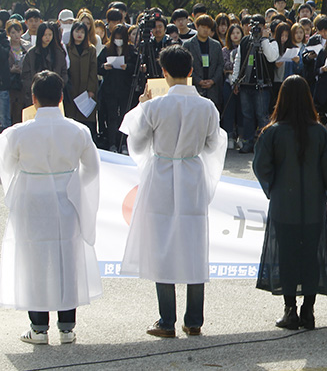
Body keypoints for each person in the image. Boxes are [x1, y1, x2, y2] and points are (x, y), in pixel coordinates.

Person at [119, 45, 227, 338]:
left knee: (162, 245)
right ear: (191, 71)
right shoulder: (206, 107)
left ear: (163, 73)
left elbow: (138, 144)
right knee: (194, 244)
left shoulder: (154, 107)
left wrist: (141, 106)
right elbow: (212, 144)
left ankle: (166, 320)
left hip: (162, 174)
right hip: (191, 173)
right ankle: (194, 319)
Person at [0, 71, 101, 344]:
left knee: (35, 263)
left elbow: (6, 169)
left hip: (32, 200)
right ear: (60, 98)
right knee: (66, 260)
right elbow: (92, 170)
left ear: (33, 99)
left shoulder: (16, 133)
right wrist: (73, 185)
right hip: (66, 198)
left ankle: (38, 327)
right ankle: (67, 327)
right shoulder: (78, 130)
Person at [253, 75, 327, 330]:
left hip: (284, 205)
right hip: (313, 205)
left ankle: (290, 310)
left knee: (286, 255)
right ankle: (309, 310)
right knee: (310, 255)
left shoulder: (271, 133)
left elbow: (260, 168)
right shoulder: (319, 132)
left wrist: (276, 185)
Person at [232, 15, 279, 154]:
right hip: (246, 84)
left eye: (259, 27)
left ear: (265, 27)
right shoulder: (246, 40)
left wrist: (264, 39)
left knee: (262, 115)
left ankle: (265, 145)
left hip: (263, 85)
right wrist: (235, 80)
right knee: (247, 115)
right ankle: (248, 142)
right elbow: (238, 61)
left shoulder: (271, 41)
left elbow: (271, 57)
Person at [97, 24, 136, 152]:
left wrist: (128, 67)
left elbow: (136, 67)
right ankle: (112, 143)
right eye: (116, 37)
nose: (118, 40)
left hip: (125, 88)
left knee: (124, 116)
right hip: (110, 89)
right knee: (112, 116)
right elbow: (98, 67)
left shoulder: (131, 50)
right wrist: (104, 67)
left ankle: (124, 143)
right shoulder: (107, 49)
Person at [64, 22, 98, 138]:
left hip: (85, 90)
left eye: (82, 32)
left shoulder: (91, 50)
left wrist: (91, 89)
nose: (79, 34)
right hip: (71, 89)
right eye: (77, 31)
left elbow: (93, 71)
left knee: (85, 120)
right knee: (70, 119)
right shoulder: (67, 49)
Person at [21, 22, 68, 106]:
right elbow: (25, 75)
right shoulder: (31, 53)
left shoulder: (58, 52)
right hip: (36, 94)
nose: (48, 37)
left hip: (54, 93)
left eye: (50, 35)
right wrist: (32, 89)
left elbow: (63, 71)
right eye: (45, 35)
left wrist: (59, 86)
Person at [183, 15, 224, 110]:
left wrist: (213, 80)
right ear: (197, 27)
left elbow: (220, 65)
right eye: (203, 27)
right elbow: (185, 66)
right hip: (195, 87)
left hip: (213, 88)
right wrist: (198, 80)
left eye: (208, 28)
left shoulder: (216, 45)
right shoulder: (188, 44)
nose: (206, 30)